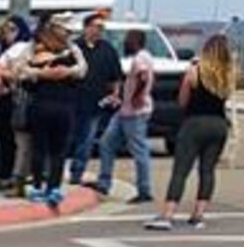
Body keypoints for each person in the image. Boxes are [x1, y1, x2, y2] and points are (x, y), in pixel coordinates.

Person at [146, 33, 234, 230]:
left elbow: (182, 100)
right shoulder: (226, 75)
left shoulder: (194, 71)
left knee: (181, 170)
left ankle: (168, 214)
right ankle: (198, 214)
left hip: (195, 123)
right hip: (218, 124)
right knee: (207, 170)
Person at [20, 16, 86, 209]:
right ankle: (45, 186)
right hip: (51, 105)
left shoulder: (68, 50)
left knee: (50, 148)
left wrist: (61, 72)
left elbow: (82, 70)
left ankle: (47, 186)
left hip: (54, 105)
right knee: (51, 148)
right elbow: (20, 71)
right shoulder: (39, 48)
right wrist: (45, 74)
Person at [92, 25, 156, 204]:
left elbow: (143, 78)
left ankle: (144, 190)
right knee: (106, 143)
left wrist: (136, 97)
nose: (125, 43)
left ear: (136, 42)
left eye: (128, 40)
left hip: (135, 113)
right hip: (124, 111)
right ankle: (104, 182)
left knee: (139, 150)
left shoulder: (141, 59)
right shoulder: (142, 57)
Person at [67, 11, 123, 184]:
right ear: (86, 28)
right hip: (71, 103)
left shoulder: (108, 49)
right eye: (96, 26)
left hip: (95, 105)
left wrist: (115, 94)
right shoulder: (73, 48)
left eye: (102, 27)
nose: (99, 30)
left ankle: (77, 173)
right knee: (66, 139)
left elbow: (116, 77)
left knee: (87, 140)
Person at [0, 15, 33, 194]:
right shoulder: (5, 48)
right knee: (3, 139)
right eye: (5, 30)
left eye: (12, 29)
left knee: (10, 140)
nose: (7, 34)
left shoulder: (21, 48)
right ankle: (2, 174)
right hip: (1, 98)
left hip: (12, 99)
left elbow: (13, 73)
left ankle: (9, 175)